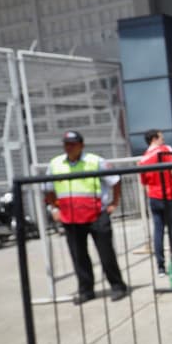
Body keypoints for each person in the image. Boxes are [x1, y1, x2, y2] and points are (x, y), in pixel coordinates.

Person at [43, 130, 127, 304]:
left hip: (97, 215)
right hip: (70, 218)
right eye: (66, 144)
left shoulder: (95, 161)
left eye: (72, 144)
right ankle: (86, 290)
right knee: (78, 256)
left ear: (81, 145)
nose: (69, 147)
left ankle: (118, 286)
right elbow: (48, 189)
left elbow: (116, 180)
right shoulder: (55, 164)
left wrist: (114, 203)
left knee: (106, 254)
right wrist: (54, 209)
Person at [138, 129, 172, 278]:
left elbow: (144, 183)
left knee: (158, 231)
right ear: (155, 138)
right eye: (161, 137)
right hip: (170, 195)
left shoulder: (143, 160)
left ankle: (160, 266)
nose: (163, 140)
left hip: (154, 197)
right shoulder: (164, 150)